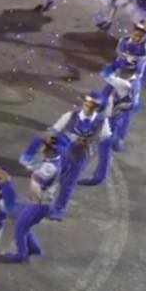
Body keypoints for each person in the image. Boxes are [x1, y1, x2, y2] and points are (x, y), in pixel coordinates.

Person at [46, 92, 110, 220]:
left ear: (97, 108)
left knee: (69, 184)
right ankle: (44, 202)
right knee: (51, 176)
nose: (88, 109)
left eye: (93, 106)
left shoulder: (102, 122)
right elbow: (54, 131)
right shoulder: (71, 116)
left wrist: (91, 144)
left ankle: (59, 208)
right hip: (62, 152)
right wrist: (50, 149)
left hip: (80, 157)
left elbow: (105, 137)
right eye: (87, 105)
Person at [2, 134, 62, 262]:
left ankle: (22, 254)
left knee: (20, 226)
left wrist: (34, 144)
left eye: (44, 146)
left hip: (39, 205)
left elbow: (24, 160)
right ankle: (34, 248)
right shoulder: (52, 160)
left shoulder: (49, 168)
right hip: (38, 202)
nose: (41, 148)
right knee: (24, 224)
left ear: (51, 150)